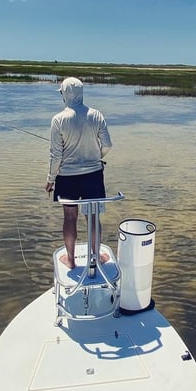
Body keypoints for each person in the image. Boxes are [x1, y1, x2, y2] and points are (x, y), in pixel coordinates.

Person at [45, 77, 113, 268]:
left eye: (61, 93)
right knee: (93, 217)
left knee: (69, 217)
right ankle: (96, 258)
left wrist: (50, 179)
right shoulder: (96, 115)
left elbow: (55, 154)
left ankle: (71, 260)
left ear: (66, 94)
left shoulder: (58, 120)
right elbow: (108, 145)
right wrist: (95, 157)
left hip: (66, 176)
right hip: (93, 174)